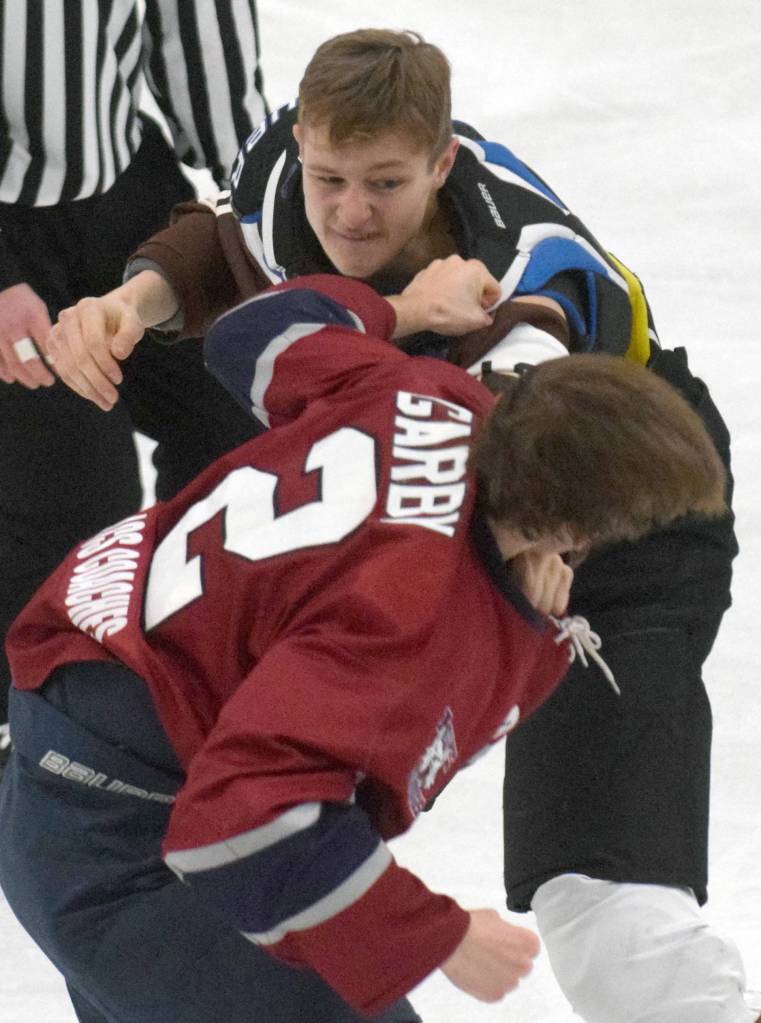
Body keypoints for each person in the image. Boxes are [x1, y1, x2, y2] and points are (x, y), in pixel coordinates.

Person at [40, 29, 752, 1023]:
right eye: (329, 178)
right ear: (301, 140)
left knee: (611, 933)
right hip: (484, 501)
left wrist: (541, 546)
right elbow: (238, 240)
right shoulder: (286, 168)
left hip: (622, 516)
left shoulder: (519, 280)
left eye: (384, 186)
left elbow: (535, 444)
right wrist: (134, 300)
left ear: (442, 162)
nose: (349, 214)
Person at [0, 0, 268, 770]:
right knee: (75, 501)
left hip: (127, 195)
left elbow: (204, 48)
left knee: (237, 416)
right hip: (10, 235)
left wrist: (270, 204)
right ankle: (33, 734)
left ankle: (184, 675)